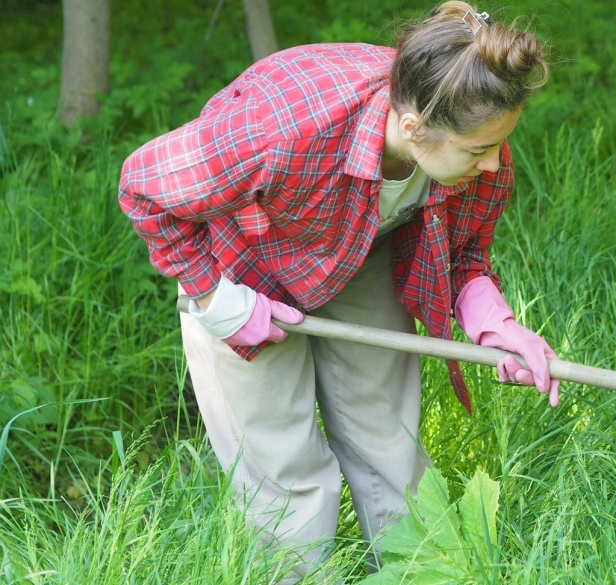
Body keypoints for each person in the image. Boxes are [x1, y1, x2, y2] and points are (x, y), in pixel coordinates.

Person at [118, 2, 559, 579]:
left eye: (497, 147)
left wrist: (495, 323)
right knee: (282, 465)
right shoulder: (283, 130)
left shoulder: (475, 139)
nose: (494, 163)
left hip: (360, 249)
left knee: (387, 436)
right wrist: (214, 301)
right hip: (242, 260)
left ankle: (420, 571)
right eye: (477, 151)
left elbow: (466, 253)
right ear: (412, 129)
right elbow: (144, 186)